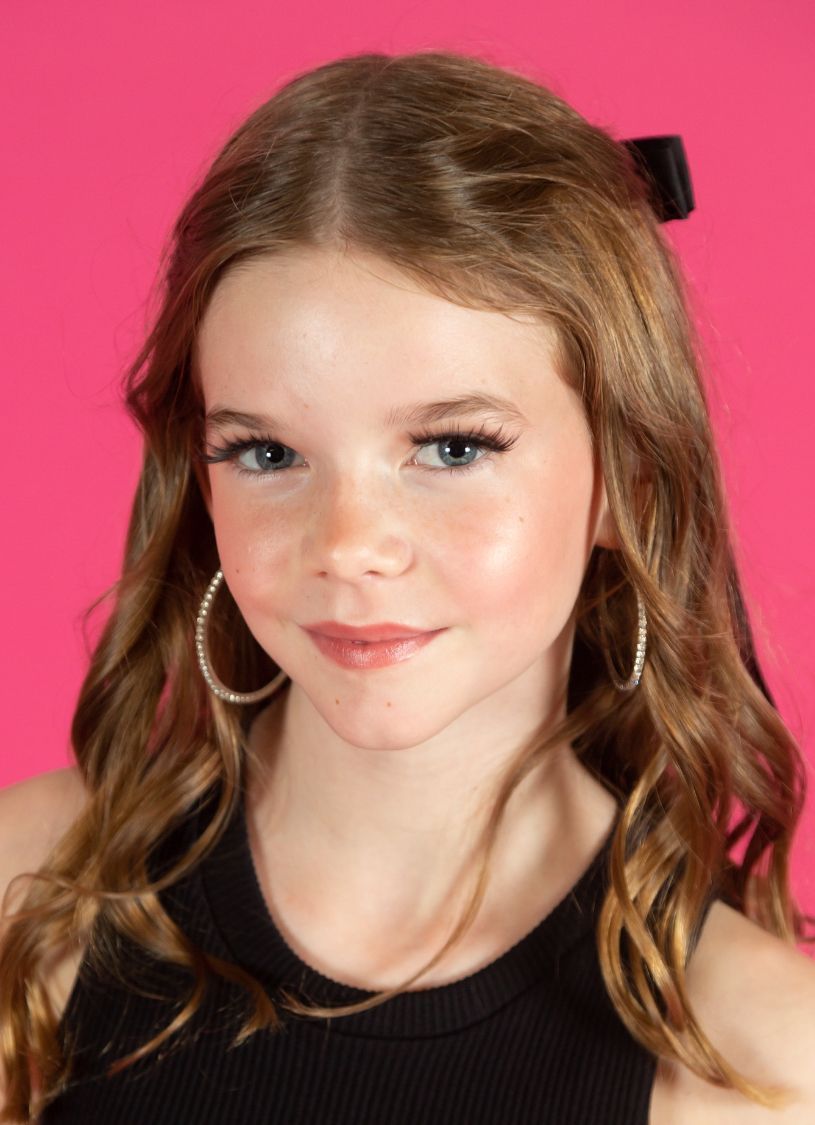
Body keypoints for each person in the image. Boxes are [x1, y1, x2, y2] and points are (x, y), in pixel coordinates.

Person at [1, 49, 814, 1125]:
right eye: (267, 454)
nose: (348, 547)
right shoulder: (27, 899)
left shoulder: (764, 1069)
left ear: (628, 482)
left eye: (451, 448)